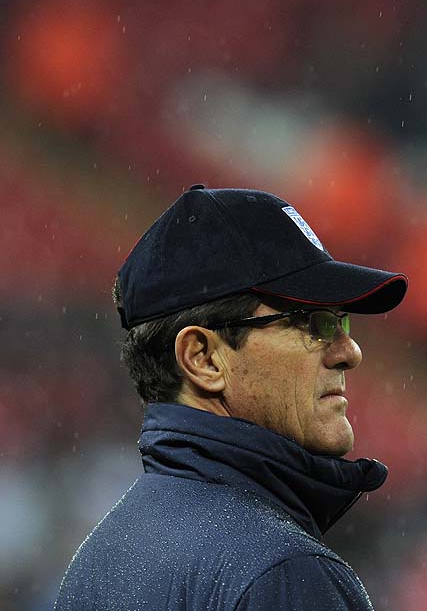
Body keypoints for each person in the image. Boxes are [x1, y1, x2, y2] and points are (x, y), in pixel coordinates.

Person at [54, 185, 408, 610]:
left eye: (340, 322)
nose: (350, 352)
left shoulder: (101, 559)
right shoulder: (282, 573)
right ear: (202, 358)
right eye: (313, 324)